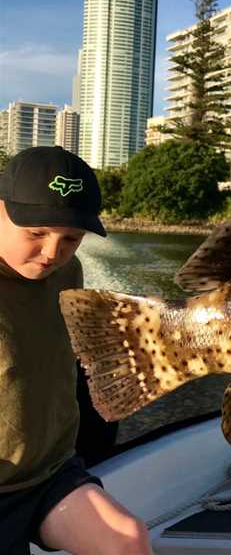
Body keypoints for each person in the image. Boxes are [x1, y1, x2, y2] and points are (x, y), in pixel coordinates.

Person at [0, 146, 152, 555]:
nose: (52, 252)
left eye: (71, 238)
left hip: (50, 473)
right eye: (35, 233)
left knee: (128, 541)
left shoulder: (68, 271)